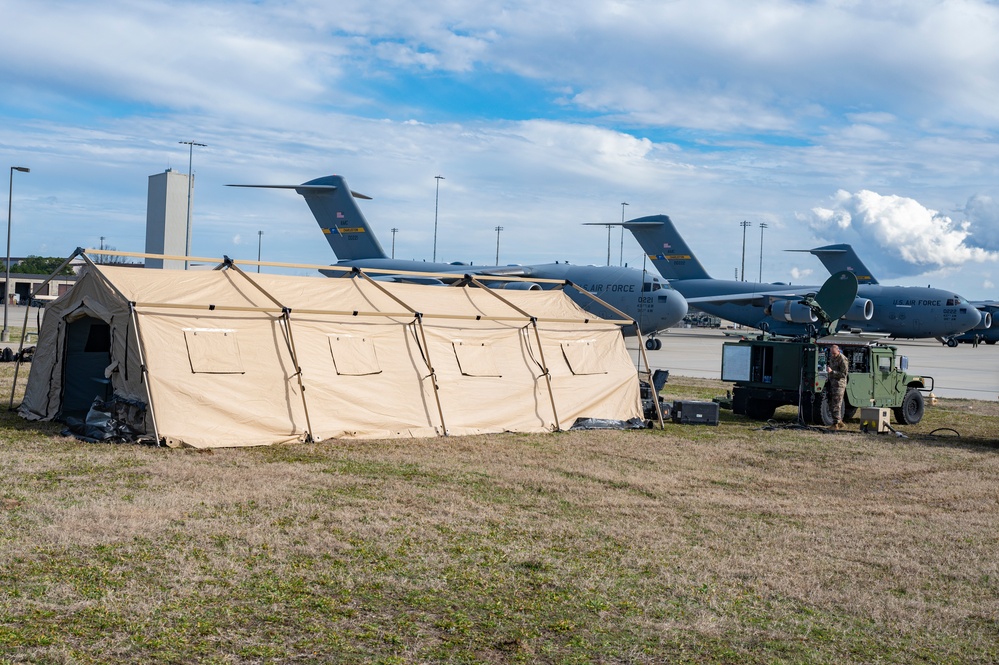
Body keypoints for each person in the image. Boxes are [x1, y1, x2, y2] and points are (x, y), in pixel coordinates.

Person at [826, 344, 849, 430]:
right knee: (831, 402)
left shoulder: (842, 359)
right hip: (832, 383)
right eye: (831, 353)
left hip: (839, 384)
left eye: (834, 353)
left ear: (838, 351)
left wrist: (832, 372)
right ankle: (839, 421)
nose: (832, 355)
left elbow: (843, 374)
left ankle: (835, 424)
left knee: (836, 404)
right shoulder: (832, 358)